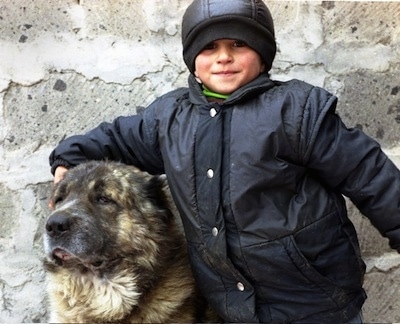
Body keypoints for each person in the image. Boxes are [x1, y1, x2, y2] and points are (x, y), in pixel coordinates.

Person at [49, 0, 400, 322]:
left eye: (239, 45)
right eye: (209, 47)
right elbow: (116, 138)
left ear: (263, 56)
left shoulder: (296, 111)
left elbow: (369, 176)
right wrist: (68, 158)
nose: (223, 57)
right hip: (232, 305)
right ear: (193, 61)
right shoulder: (169, 119)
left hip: (310, 297)